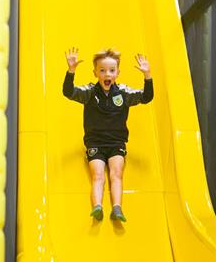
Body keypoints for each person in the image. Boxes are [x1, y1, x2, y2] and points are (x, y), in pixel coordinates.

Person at [62, 47, 153, 222]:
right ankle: (97, 207)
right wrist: (71, 71)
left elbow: (146, 97)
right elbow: (69, 92)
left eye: (111, 70)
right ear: (95, 72)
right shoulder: (89, 92)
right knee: (97, 175)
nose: (107, 74)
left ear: (117, 73)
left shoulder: (123, 93)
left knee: (116, 174)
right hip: (95, 143)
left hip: (116, 143)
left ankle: (117, 208)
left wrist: (147, 76)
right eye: (102, 70)